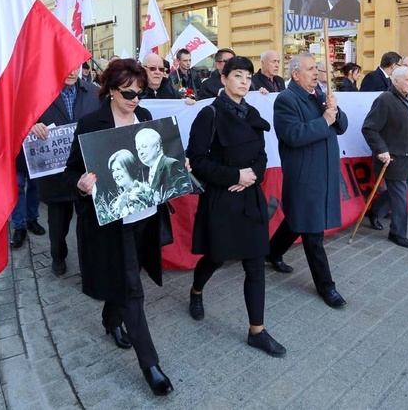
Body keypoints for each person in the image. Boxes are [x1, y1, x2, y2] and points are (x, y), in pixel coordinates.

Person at [63, 59, 174, 396]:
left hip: (145, 217)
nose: (134, 99)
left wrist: (176, 167)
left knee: (129, 276)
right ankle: (151, 366)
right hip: (111, 223)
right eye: (127, 92)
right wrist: (81, 184)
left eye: (139, 93)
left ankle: (111, 320)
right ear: (110, 89)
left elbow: (159, 162)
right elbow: (69, 172)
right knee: (133, 289)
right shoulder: (90, 123)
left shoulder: (145, 118)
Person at [186, 56, 286, 357]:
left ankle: (257, 330)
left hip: (250, 196)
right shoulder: (210, 115)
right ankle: (196, 291)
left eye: (248, 77)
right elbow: (197, 161)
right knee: (215, 257)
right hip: (221, 198)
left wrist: (250, 177)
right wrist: (233, 175)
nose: (244, 81)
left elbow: (263, 156)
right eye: (238, 75)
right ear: (225, 78)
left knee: (256, 264)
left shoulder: (252, 113)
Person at [265, 52, 349, 308]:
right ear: (295, 74)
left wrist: (334, 109)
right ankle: (327, 287)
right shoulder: (286, 100)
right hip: (304, 175)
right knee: (313, 233)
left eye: (317, 69)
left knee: (296, 220)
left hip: (323, 172)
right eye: (311, 69)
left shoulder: (320, 96)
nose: (316, 73)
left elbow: (341, 126)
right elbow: (293, 135)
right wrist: (324, 119)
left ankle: (272, 252)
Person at [30, 67, 101, 275]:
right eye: (65, 66)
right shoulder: (39, 93)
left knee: (88, 225)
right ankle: (58, 256)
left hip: (84, 171)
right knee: (58, 225)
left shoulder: (93, 91)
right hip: (55, 174)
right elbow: (22, 119)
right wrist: (32, 126)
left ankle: (89, 264)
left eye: (75, 67)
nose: (70, 72)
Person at [362, 66, 408, 248]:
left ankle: (374, 212)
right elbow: (369, 128)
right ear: (396, 81)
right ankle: (398, 233)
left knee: (398, 191)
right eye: (407, 79)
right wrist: (381, 149)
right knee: (401, 198)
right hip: (393, 159)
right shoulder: (384, 100)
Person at [134, 128, 191, 200]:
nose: (141, 152)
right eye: (138, 149)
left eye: (144, 146)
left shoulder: (171, 164)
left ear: (157, 146)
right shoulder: (145, 173)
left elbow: (183, 189)